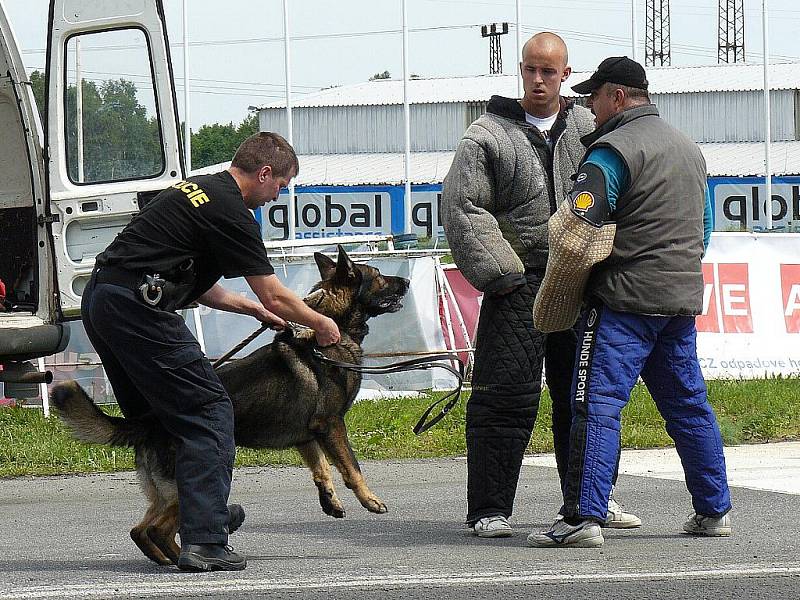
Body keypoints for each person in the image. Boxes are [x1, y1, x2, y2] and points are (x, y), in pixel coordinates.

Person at [80, 132, 341, 571]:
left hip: (105, 300)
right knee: (209, 410)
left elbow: (196, 283)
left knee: (162, 419)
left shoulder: (199, 189)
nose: (278, 196)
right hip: (138, 311)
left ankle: (194, 516)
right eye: (280, 185)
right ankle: (205, 540)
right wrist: (321, 322)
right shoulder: (234, 212)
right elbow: (277, 293)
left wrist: (250, 309)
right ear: (263, 173)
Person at [441, 33, 639, 539]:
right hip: (518, 285)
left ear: (565, 75)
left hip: (580, 282)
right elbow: (463, 209)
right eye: (530, 69)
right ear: (520, 69)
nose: (538, 80)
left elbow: (624, 190)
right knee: (503, 397)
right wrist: (501, 273)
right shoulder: (484, 136)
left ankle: (589, 502)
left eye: (549, 72)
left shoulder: (589, 127)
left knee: (585, 397)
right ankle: (489, 508)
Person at [527, 57, 731, 548]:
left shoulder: (610, 151)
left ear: (617, 97)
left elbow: (578, 231)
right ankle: (713, 510)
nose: (589, 107)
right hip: (679, 302)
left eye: (594, 97)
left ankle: (583, 517)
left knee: (594, 406)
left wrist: (562, 287)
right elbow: (703, 230)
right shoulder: (689, 150)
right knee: (688, 406)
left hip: (621, 303)